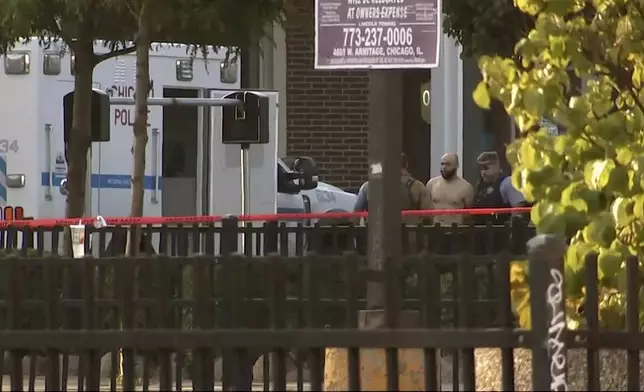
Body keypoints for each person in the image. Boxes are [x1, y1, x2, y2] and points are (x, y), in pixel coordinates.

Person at [473, 151, 528, 224]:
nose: (483, 172)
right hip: (482, 231)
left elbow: (518, 211)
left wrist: (512, 233)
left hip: (501, 231)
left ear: (496, 166)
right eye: (481, 169)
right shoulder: (481, 186)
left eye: (486, 168)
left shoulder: (507, 183)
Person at [426, 153, 474, 226]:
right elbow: (426, 209)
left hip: (456, 231)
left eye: (448, 164)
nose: (444, 167)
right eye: (442, 164)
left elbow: (468, 215)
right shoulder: (432, 184)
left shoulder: (466, 187)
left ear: (456, 166)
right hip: (435, 229)